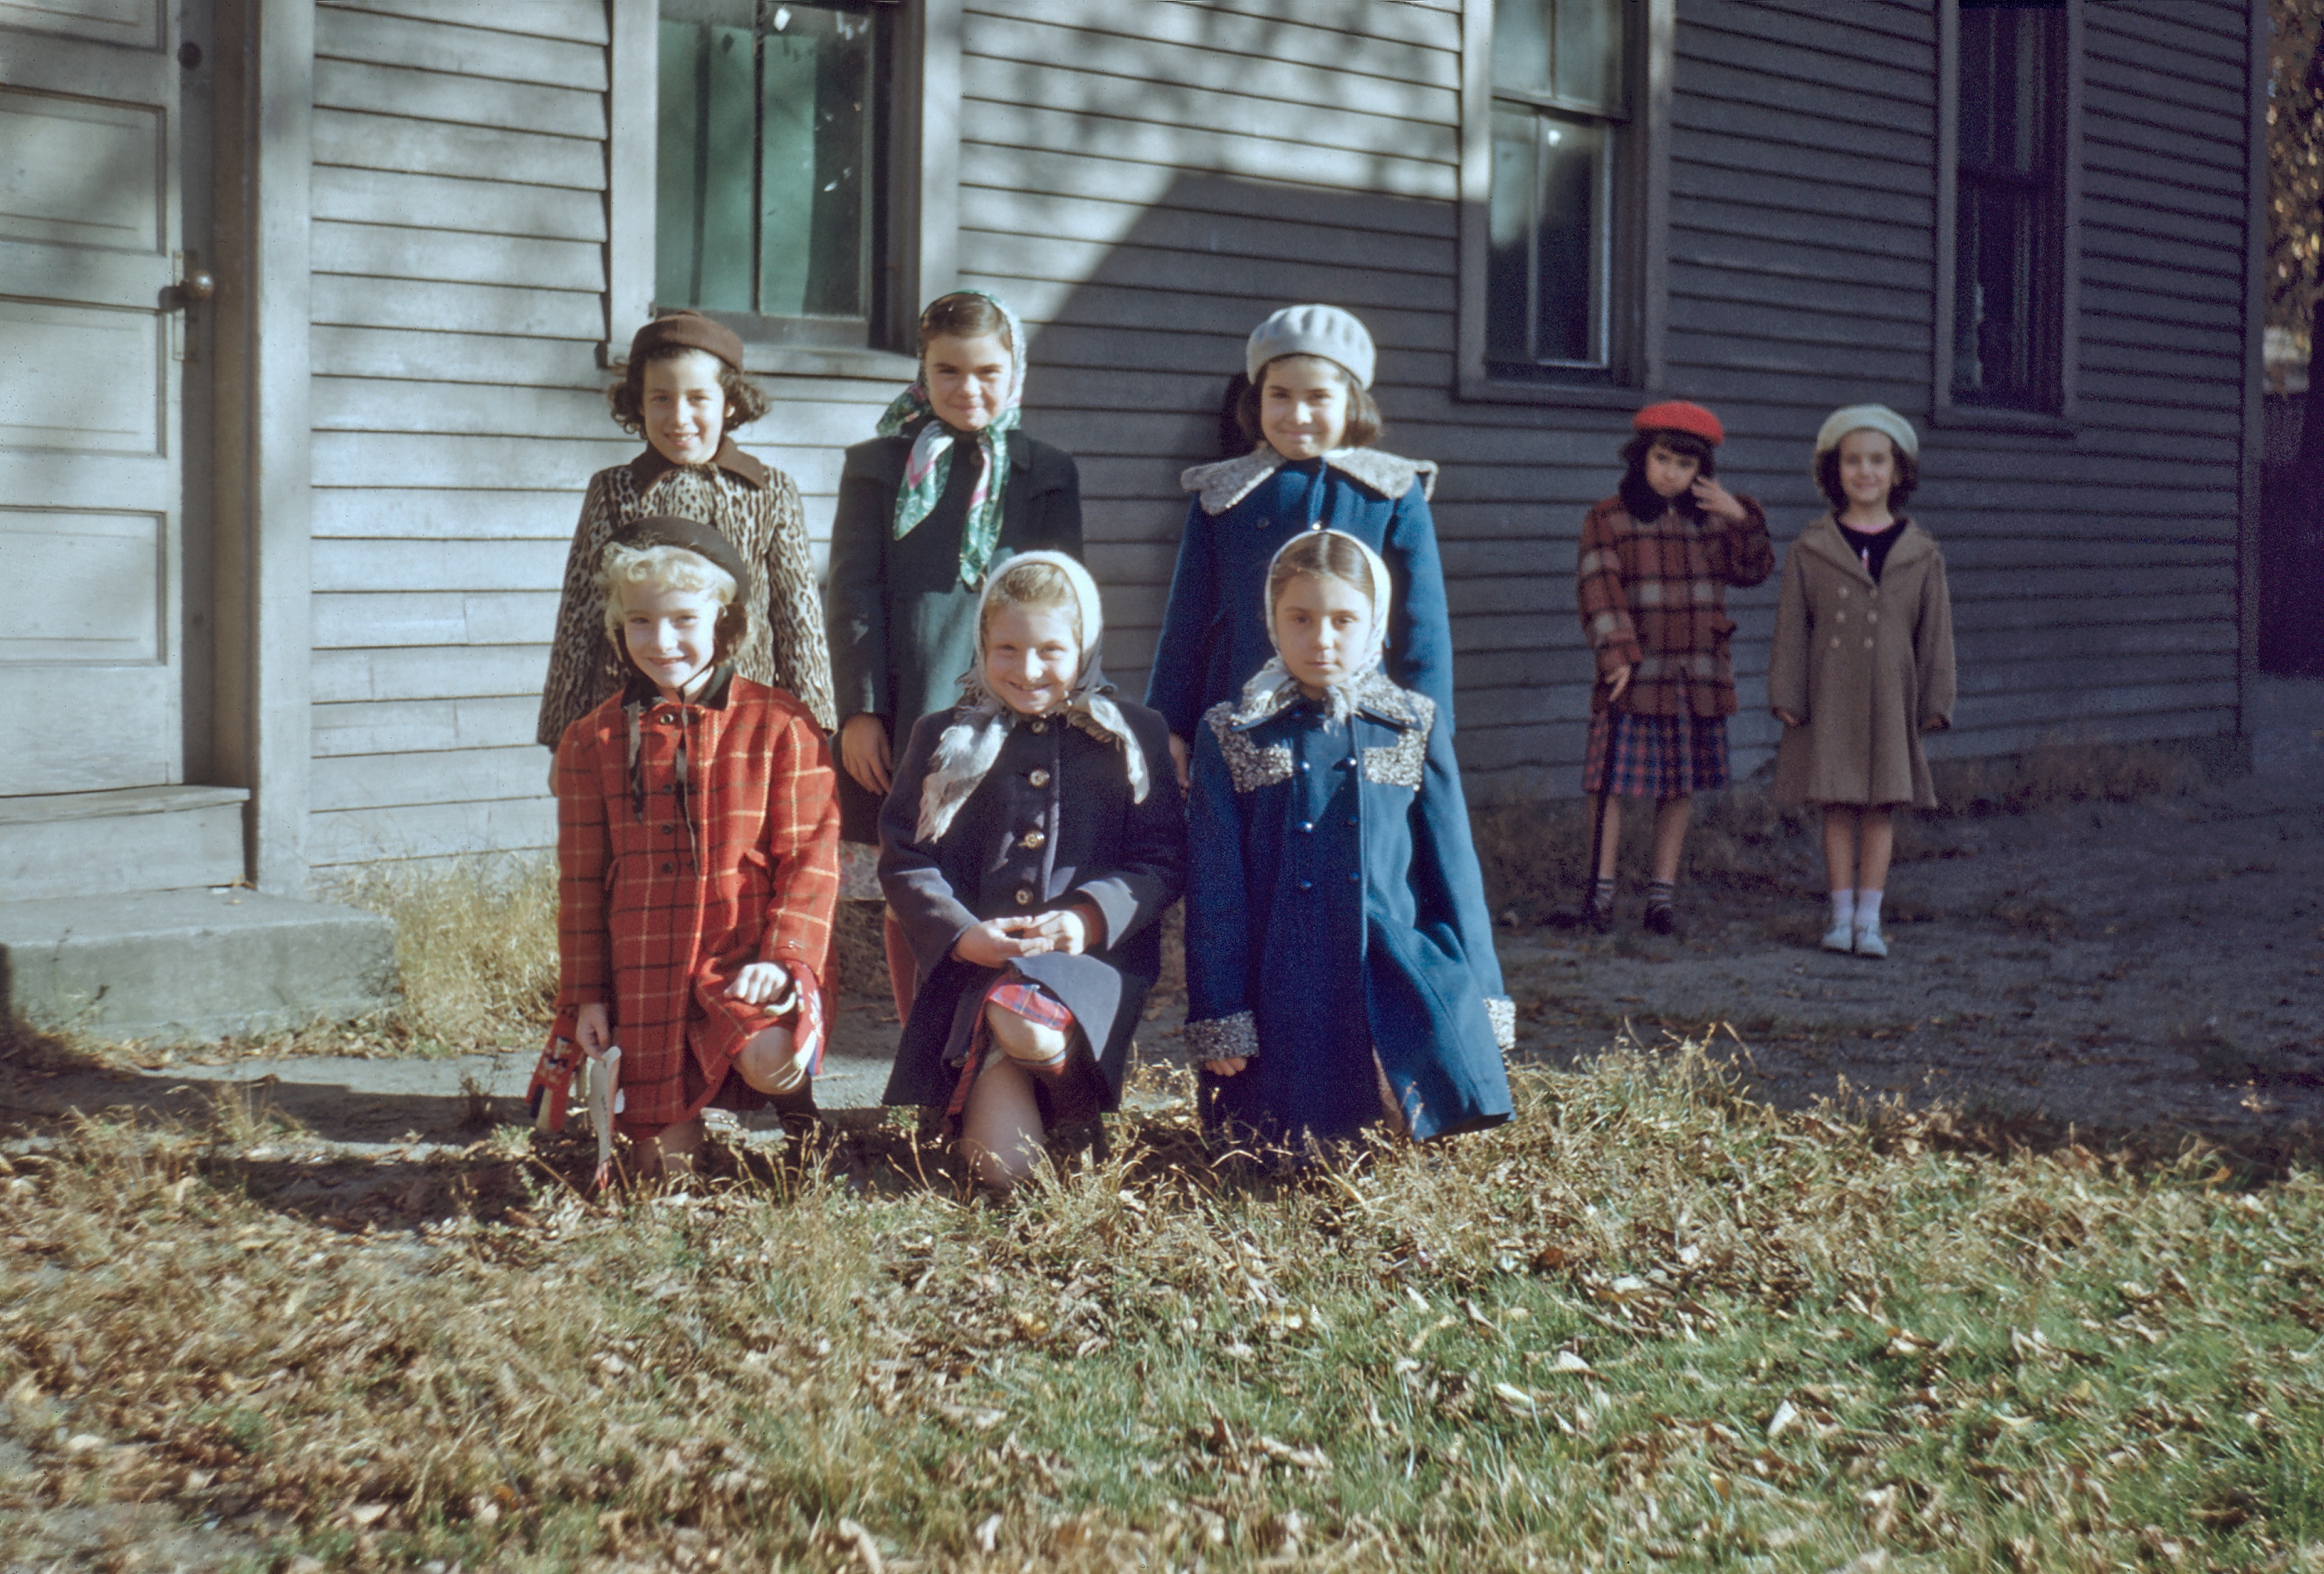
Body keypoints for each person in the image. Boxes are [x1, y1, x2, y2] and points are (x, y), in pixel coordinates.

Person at [1184, 529, 1512, 1156]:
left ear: (1375, 622)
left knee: (1400, 1135)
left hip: (1387, 965)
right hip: (1280, 977)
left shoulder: (1412, 723)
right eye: (1301, 619)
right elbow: (1216, 890)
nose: (1323, 639)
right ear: (1271, 620)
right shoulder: (1233, 731)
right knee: (1282, 1152)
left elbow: (1454, 873)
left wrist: (1484, 998)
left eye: (1343, 619)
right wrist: (1222, 1011)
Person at [537, 517, 841, 1177]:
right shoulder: (591, 741)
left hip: (744, 952)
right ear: (621, 629)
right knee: (660, 1174)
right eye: (642, 622)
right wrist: (587, 995)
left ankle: (805, 1124)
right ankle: (675, 1126)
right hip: (643, 967)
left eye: (682, 619)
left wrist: (785, 957)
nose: (662, 640)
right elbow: (582, 882)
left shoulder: (781, 723)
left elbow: (812, 861)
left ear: (724, 623)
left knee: (774, 1060)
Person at [876, 553, 1184, 1198]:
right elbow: (906, 859)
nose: (1028, 670)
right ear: (982, 646)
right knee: (1002, 1173)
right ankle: (1022, 1103)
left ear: (1087, 646)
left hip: (1087, 964)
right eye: (1007, 649)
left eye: (1051, 649)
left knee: (1028, 1022)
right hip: (977, 967)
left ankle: (1078, 1111)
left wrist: (1086, 917)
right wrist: (963, 936)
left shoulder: (1133, 736)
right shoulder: (943, 737)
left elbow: (1162, 860)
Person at [826, 291, 1084, 1017]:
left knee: (1004, 864)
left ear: (1015, 372)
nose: (968, 390)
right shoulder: (879, 467)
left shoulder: (1049, 471)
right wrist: (862, 711)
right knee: (918, 877)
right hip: (914, 703)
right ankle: (922, 1040)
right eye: (948, 372)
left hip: (1016, 697)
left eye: (987, 373)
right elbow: (854, 594)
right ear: (923, 371)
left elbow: (1070, 599)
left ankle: (995, 1030)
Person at [1147, 305, 1454, 788]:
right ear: (1256, 401)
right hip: (1241, 714)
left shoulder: (1389, 491)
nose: (1298, 414)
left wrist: (1429, 734)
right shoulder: (1225, 494)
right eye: (1280, 396)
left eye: (1318, 397)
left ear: (1351, 401)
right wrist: (1170, 728)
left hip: (1361, 723)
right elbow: (1185, 623)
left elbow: (1423, 625)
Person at [537, 312, 835, 762]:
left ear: (729, 402)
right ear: (638, 403)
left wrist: (812, 727)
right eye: (661, 398)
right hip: (630, 725)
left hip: (744, 723)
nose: (679, 417)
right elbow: (579, 620)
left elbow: (799, 618)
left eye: (698, 398)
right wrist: (565, 738)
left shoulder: (769, 491)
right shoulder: (614, 491)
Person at [1572, 401, 1775, 934]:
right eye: (1662, 460)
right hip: (1634, 672)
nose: (1672, 474)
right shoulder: (1608, 517)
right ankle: (1600, 895)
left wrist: (1741, 518)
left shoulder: (1713, 520)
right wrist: (1615, 653)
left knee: (1678, 786)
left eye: (1686, 466)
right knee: (1608, 783)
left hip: (1695, 672)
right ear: (1642, 457)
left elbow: (1752, 571)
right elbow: (1599, 588)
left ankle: (1661, 898)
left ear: (1701, 471)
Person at [1769, 404, 1957, 960]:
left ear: (1898, 473)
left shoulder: (1921, 553)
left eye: (1878, 461)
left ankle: (1870, 922)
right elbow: (1792, 628)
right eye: (1853, 461)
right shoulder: (1812, 547)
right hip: (1831, 695)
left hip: (1891, 698)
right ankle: (1840, 916)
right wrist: (1787, 693)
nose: (1865, 472)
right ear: (1836, 471)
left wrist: (1936, 698)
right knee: (1835, 805)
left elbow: (1935, 633)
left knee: (1879, 809)